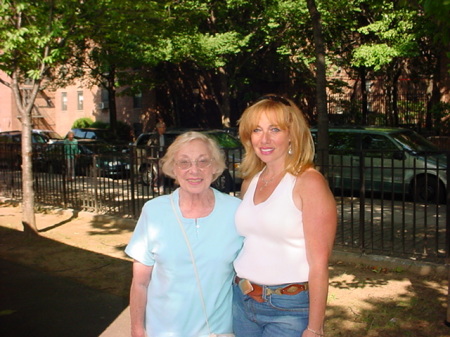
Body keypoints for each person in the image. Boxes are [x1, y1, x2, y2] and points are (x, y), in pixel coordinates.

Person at [232, 95, 337, 337]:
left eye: (275, 129)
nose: (264, 139)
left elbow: (319, 264)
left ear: (292, 135)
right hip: (242, 300)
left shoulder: (308, 182)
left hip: (287, 309)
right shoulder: (251, 181)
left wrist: (315, 328)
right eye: (257, 130)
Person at [125, 131, 243, 337]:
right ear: (173, 168)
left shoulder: (235, 211)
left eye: (203, 161)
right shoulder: (154, 211)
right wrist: (137, 329)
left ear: (215, 167)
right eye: (184, 162)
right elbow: (140, 282)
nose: (194, 170)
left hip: (216, 332)